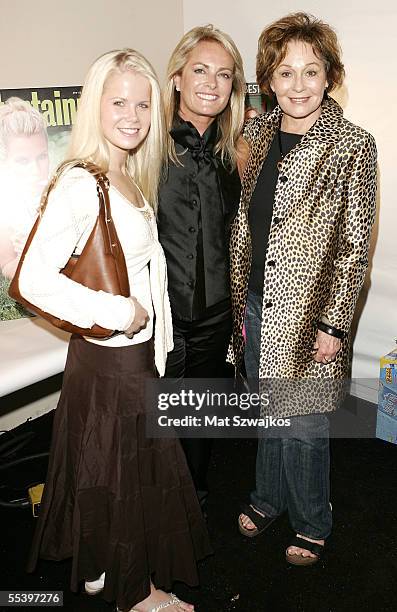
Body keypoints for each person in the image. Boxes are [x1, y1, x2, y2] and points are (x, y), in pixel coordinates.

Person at [19, 49, 211, 611]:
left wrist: (157, 339)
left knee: (104, 471)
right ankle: (137, 594)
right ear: (94, 106)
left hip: (127, 361)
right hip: (114, 360)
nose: (133, 115)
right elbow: (32, 280)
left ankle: (101, 568)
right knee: (128, 479)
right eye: (119, 101)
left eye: (143, 103)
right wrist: (119, 312)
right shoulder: (83, 183)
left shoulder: (123, 173)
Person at [230, 12, 377, 565]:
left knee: (306, 425)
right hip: (255, 302)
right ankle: (267, 500)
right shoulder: (258, 135)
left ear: (329, 76)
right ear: (268, 80)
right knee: (269, 413)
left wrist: (335, 324)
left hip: (311, 312)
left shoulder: (352, 146)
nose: (297, 85)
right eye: (285, 72)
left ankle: (313, 520)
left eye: (310, 72)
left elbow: (353, 247)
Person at [157, 25, 245, 506]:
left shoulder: (237, 151)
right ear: (176, 77)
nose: (211, 83)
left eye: (224, 75)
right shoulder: (147, 143)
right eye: (200, 70)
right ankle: (160, 503)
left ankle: (195, 497)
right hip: (160, 314)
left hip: (216, 312)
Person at [0, 97, 49, 279]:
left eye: (42, 157)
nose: (36, 170)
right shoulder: (3, 207)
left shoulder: (62, 191)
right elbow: (8, 268)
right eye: (23, 161)